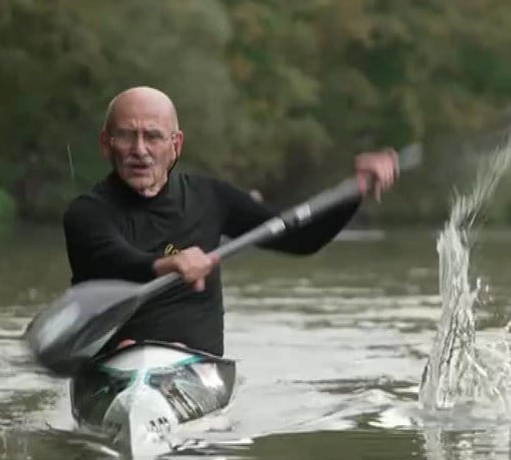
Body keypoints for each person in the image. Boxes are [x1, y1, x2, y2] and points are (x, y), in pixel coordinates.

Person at [62, 86, 400, 358]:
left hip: (195, 365)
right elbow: (114, 260)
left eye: (152, 136)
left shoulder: (211, 198)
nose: (140, 149)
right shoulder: (86, 213)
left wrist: (355, 192)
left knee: (173, 353)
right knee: (128, 351)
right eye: (126, 136)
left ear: (175, 145)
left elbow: (300, 240)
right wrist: (169, 263)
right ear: (106, 145)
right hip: (112, 362)